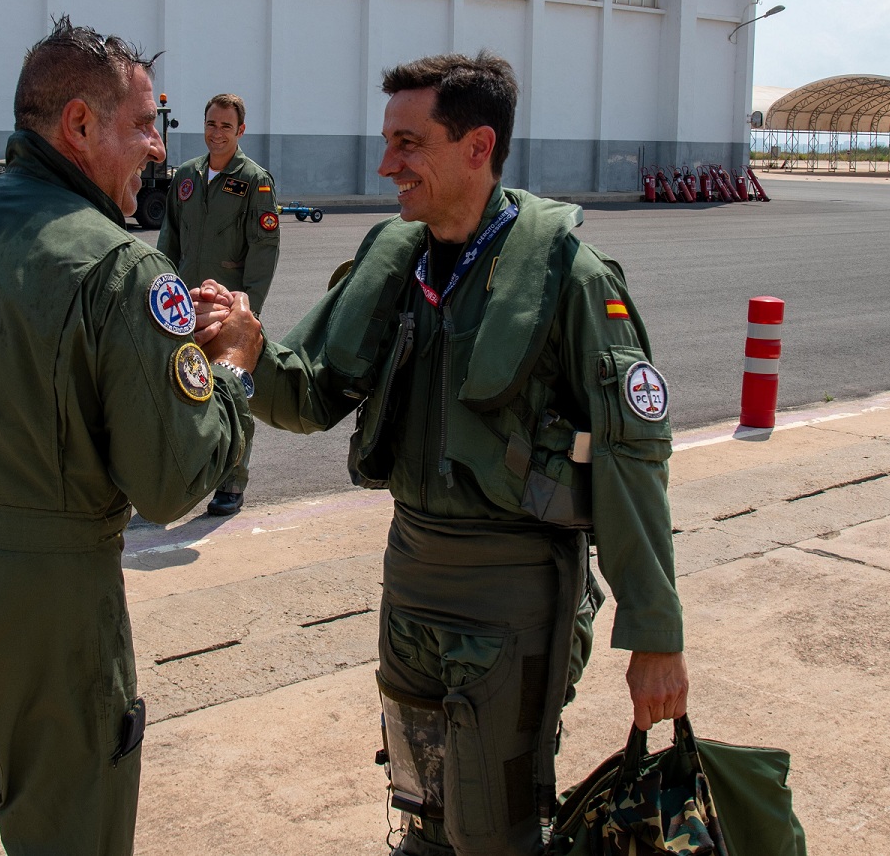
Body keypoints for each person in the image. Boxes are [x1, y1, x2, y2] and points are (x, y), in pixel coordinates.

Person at [193, 52, 688, 856]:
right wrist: (247, 347)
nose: (386, 165)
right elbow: (311, 392)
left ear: (477, 146)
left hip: (512, 597)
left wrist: (655, 634)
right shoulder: (400, 261)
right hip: (411, 588)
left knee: (494, 830)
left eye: (409, 143)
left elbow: (633, 459)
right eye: (388, 141)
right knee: (421, 811)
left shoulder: (569, 278)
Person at [0, 18, 253, 856]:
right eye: (142, 125)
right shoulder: (120, 268)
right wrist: (229, 372)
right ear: (78, 124)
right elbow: (172, 481)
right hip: (43, 613)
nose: (157, 148)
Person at [158, 92, 280, 515]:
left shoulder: (254, 181)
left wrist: (248, 311)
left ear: (240, 130)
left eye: (226, 126)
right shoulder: (186, 177)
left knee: (232, 393)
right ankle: (180, 479)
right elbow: (169, 240)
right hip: (184, 306)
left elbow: (264, 248)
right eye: (212, 124)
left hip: (228, 309)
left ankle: (231, 482)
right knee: (178, 390)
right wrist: (162, 293)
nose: (217, 133)